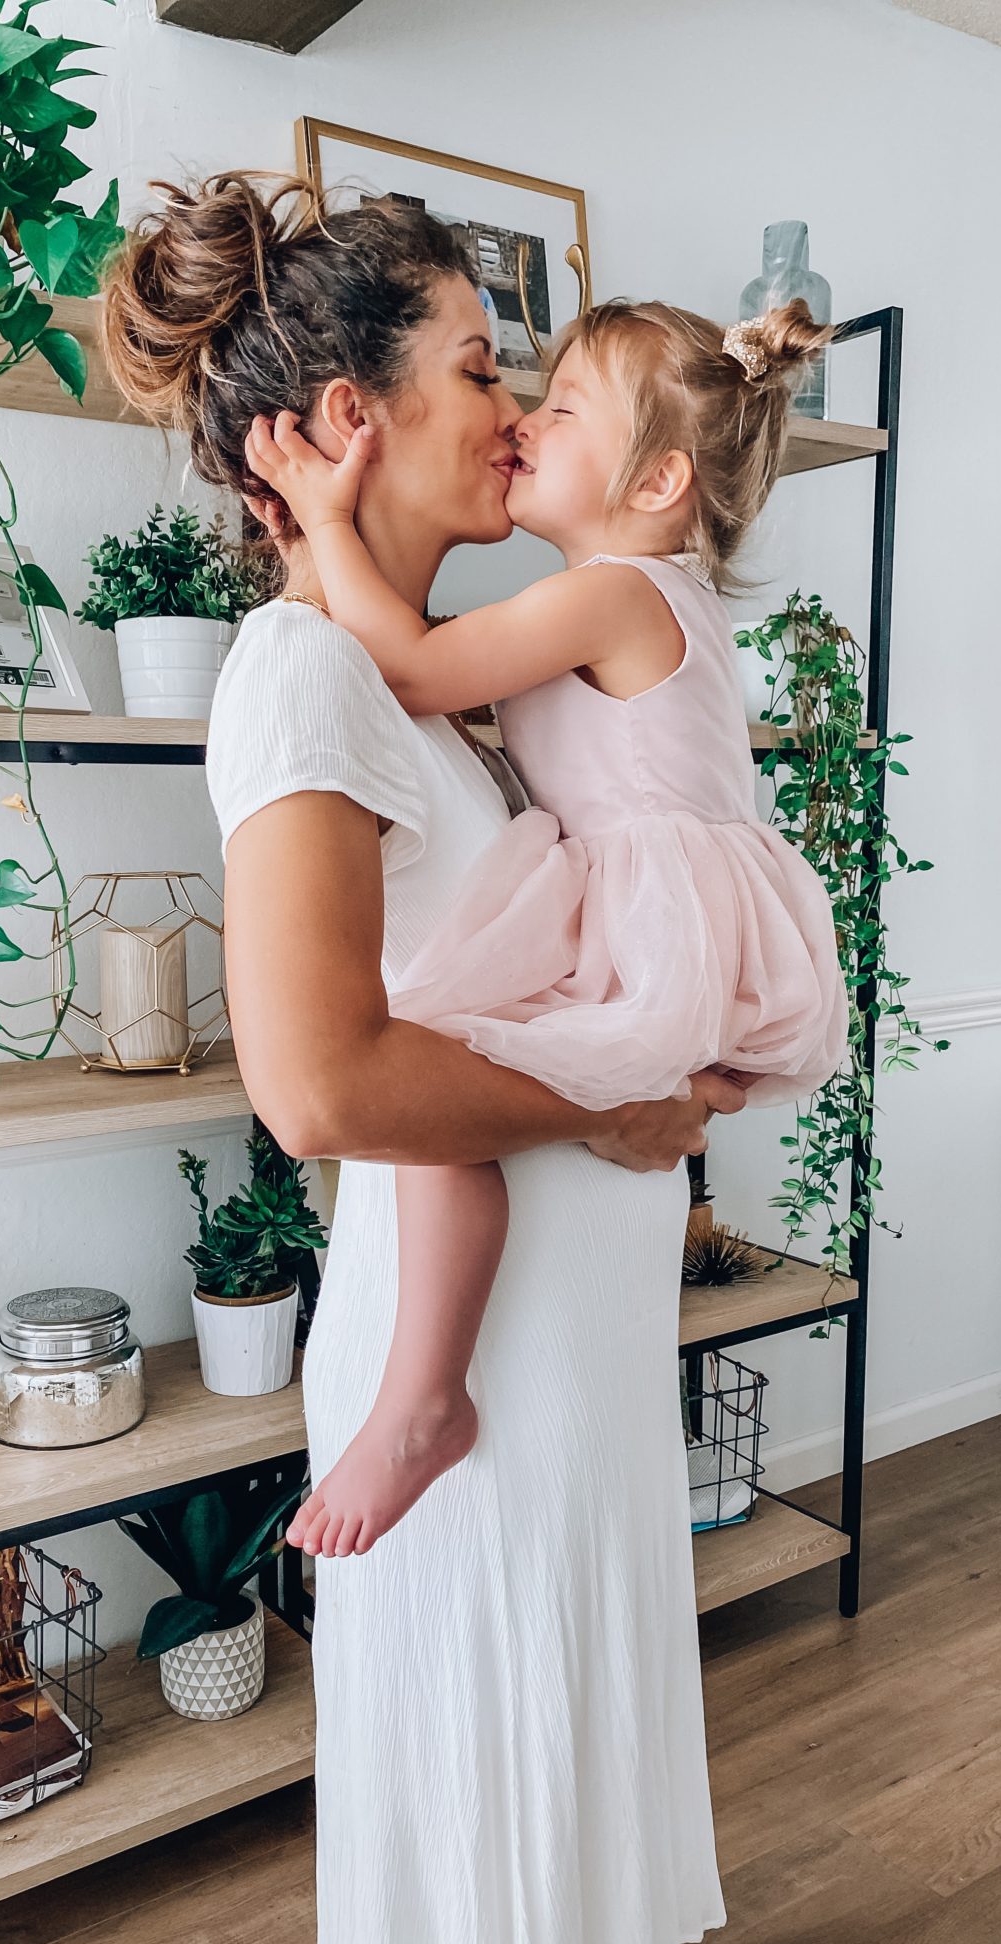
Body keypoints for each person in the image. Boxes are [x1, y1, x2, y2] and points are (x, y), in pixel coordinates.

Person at [103, 170, 747, 1944]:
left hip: (568, 1343)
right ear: (344, 423)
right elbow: (314, 1084)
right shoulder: (304, 675)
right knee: (492, 1745)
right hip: (470, 1368)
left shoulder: (423, 687)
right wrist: (609, 1110)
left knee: (558, 1714)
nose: (514, 410)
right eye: (481, 365)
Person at [241, 297, 848, 1564]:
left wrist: (329, 522)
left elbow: (407, 663)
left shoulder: (614, 593)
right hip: (647, 914)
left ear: (660, 477)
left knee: (453, 1063)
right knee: (438, 1081)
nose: (524, 420)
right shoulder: (612, 597)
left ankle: (422, 1395)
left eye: (560, 407)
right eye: (499, 380)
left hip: (646, 919)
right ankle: (421, 1394)